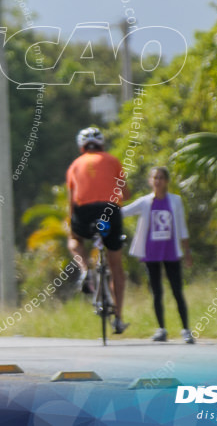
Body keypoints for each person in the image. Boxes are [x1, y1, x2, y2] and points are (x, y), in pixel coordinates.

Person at [67, 126, 130, 334]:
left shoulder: (75, 165)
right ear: (102, 144)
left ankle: (85, 270)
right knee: (116, 266)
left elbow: (71, 202)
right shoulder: (112, 160)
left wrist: (73, 227)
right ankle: (119, 318)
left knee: (74, 240)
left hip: (84, 213)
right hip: (110, 211)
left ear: (81, 147)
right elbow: (126, 193)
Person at [121, 166, 194, 343]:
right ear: (150, 181)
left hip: (171, 252)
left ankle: (186, 329)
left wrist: (187, 252)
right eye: (155, 178)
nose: (158, 181)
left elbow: (182, 228)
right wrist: (105, 208)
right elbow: (123, 211)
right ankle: (161, 329)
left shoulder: (175, 201)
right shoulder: (146, 202)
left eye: (161, 178)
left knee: (177, 291)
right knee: (156, 292)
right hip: (151, 252)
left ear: (167, 181)